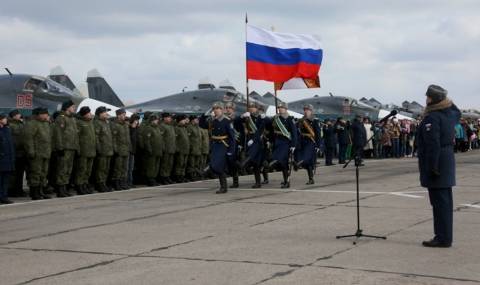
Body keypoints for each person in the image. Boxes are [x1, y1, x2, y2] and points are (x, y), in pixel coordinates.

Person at [417, 84, 461, 248]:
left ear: (432, 99)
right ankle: (444, 236)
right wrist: (444, 98)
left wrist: (432, 166)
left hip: (438, 163)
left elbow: (432, 144)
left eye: (428, 96)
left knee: (439, 203)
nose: (426, 99)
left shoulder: (433, 117)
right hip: (447, 160)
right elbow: (457, 110)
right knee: (445, 202)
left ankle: (442, 238)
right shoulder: (450, 114)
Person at [199, 102, 235, 194]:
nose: (215, 110)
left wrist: (231, 150)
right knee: (217, 166)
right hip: (215, 145)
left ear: (222, 110)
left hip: (223, 145)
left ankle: (206, 173)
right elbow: (202, 125)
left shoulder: (227, 120)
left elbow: (232, 137)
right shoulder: (212, 120)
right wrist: (204, 115)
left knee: (217, 165)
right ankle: (223, 187)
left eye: (217, 108)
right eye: (214, 108)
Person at [52, 100, 79, 197]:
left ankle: (65, 188)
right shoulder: (61, 118)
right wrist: (60, 147)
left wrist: (77, 147)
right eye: (72, 107)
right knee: (62, 169)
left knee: (68, 169)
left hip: (71, 147)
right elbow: (58, 134)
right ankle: (60, 189)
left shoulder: (72, 119)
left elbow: (75, 135)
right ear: (67, 107)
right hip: (64, 148)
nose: (74, 109)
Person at [267, 102, 297, 188]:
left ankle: (270, 167)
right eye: (279, 107)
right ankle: (286, 181)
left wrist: (293, 145)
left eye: (282, 108)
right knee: (283, 164)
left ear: (286, 109)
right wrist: (270, 140)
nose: (280, 109)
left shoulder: (290, 119)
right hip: (277, 142)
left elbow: (294, 133)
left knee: (279, 159)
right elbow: (271, 131)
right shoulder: (276, 118)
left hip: (286, 143)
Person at [24, 108, 52, 200]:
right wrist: (31, 151)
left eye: (46, 114)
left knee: (43, 173)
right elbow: (28, 139)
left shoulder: (45, 124)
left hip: (45, 152)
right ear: (38, 114)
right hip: (37, 153)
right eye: (44, 114)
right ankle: (34, 193)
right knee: (35, 173)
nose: (46, 116)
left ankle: (41, 191)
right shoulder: (32, 123)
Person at [239, 102, 265, 188]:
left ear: (257, 108)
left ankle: (243, 164)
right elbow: (236, 122)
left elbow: (262, 128)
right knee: (256, 164)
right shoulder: (248, 117)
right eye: (250, 107)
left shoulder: (260, 117)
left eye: (253, 107)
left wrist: (253, 140)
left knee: (254, 157)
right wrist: (242, 117)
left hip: (258, 140)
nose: (251, 108)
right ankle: (258, 182)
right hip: (249, 139)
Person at [295, 104, 322, 184]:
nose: (306, 111)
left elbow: (318, 134)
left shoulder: (315, 120)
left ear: (311, 111)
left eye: (308, 110)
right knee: (308, 163)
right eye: (305, 110)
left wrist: (318, 145)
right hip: (302, 141)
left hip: (311, 141)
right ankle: (311, 179)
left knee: (306, 157)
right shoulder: (301, 120)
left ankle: (298, 164)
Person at [74, 107, 96, 195]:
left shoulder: (90, 123)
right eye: (88, 113)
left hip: (91, 150)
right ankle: (79, 185)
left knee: (88, 170)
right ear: (84, 114)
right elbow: (76, 138)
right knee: (81, 170)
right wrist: (78, 149)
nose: (90, 114)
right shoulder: (79, 123)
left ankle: (85, 184)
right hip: (83, 150)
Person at [93, 106, 114, 192]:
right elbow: (96, 137)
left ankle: (104, 183)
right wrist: (99, 148)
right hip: (102, 150)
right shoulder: (97, 123)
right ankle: (99, 184)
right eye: (105, 112)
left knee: (106, 168)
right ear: (100, 113)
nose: (106, 113)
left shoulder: (106, 122)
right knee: (100, 169)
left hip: (108, 150)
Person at [7, 109, 27, 197]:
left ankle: (19, 189)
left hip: (22, 152)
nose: (19, 115)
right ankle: (11, 190)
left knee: (20, 173)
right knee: (13, 173)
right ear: (14, 116)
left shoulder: (22, 124)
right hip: (15, 152)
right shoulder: (10, 125)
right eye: (18, 114)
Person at [110, 109, 131, 190]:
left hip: (126, 149)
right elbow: (114, 138)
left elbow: (128, 137)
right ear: (118, 115)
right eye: (122, 114)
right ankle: (116, 182)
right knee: (117, 168)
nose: (124, 116)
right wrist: (115, 149)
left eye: (124, 114)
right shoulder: (115, 125)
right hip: (119, 150)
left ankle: (122, 182)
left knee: (124, 168)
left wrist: (129, 147)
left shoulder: (125, 125)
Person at [224, 102, 243, 188]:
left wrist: (240, 144)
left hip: (235, 142)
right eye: (227, 107)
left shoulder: (237, 118)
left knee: (232, 161)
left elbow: (241, 132)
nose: (228, 109)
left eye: (230, 108)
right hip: (225, 142)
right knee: (228, 161)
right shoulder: (224, 118)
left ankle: (236, 181)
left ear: (233, 109)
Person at [141, 114, 163, 186]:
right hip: (152, 151)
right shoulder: (148, 128)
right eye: (156, 120)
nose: (157, 121)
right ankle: (150, 179)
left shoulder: (157, 128)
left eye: (157, 120)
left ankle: (154, 178)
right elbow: (147, 140)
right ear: (152, 120)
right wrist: (149, 149)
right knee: (151, 166)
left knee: (156, 166)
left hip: (158, 150)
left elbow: (160, 139)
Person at [0, 113, 15, 204]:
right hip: (1, 158)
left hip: (8, 158)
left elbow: (10, 145)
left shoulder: (7, 130)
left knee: (5, 179)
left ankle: (4, 196)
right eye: (4, 118)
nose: (6, 120)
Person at [158, 113, 176, 184]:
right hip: (166, 149)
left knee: (169, 164)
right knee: (164, 164)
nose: (170, 119)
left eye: (170, 117)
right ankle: (163, 177)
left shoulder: (171, 126)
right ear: (164, 118)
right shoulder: (162, 126)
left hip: (171, 148)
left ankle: (167, 176)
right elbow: (161, 138)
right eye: (168, 117)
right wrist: (163, 147)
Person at [173, 115, 190, 183]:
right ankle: (178, 176)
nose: (184, 121)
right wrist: (177, 148)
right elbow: (175, 139)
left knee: (184, 164)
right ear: (179, 121)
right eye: (183, 120)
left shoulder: (184, 128)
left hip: (186, 149)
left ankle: (182, 176)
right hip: (180, 149)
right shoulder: (177, 128)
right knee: (179, 164)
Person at [186, 115, 202, 182]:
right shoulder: (189, 127)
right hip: (192, 148)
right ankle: (191, 176)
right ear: (192, 120)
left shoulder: (198, 127)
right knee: (191, 164)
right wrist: (190, 147)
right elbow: (188, 138)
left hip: (198, 148)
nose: (197, 120)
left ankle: (195, 175)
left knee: (197, 164)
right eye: (196, 119)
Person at [127, 114, 140, 187]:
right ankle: (127, 182)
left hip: (133, 150)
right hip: (129, 149)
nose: (137, 122)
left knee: (131, 168)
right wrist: (132, 128)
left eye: (138, 120)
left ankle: (130, 181)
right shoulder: (129, 128)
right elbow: (130, 138)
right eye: (136, 120)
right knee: (127, 167)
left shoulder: (136, 128)